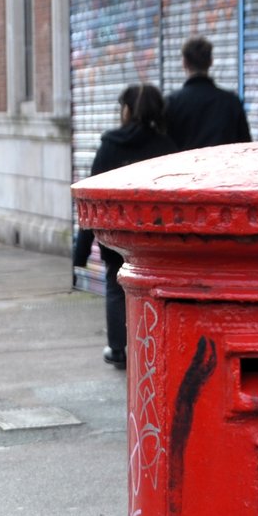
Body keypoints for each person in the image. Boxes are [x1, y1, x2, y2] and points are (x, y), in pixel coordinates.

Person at [72, 84, 176, 368]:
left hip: (116, 233)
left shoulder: (111, 145)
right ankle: (154, 346)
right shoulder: (167, 147)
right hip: (155, 234)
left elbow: (89, 200)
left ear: (126, 110)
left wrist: (80, 253)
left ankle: (118, 349)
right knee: (155, 290)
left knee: (116, 287)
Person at [164, 35, 251, 150]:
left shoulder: (171, 102)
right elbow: (245, 145)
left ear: (184, 63)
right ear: (211, 61)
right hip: (223, 166)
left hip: (183, 167)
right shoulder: (231, 102)